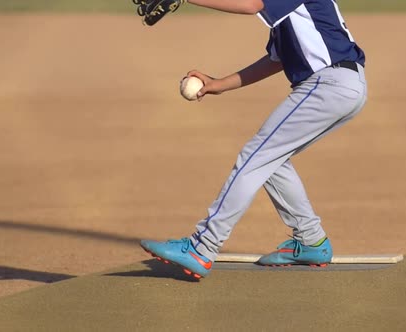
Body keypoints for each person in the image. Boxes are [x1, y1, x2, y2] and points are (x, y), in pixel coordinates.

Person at [140, 0, 368, 279]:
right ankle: (311, 240)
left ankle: (202, 247)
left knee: (254, 156)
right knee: (271, 160)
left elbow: (250, 5)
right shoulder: (288, 15)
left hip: (328, 83)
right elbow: (276, 60)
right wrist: (218, 84)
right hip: (342, 85)